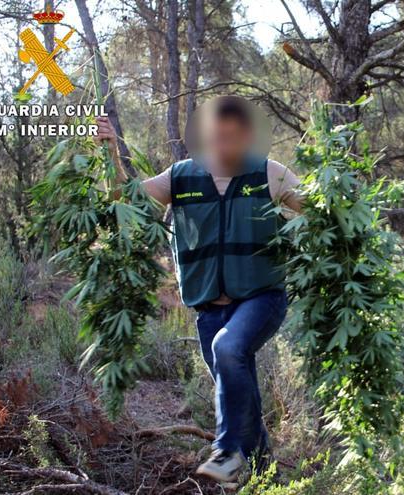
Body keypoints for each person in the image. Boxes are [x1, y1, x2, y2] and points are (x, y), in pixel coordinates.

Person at [94, 96, 302, 483]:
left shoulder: (269, 174)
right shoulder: (181, 176)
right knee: (238, 385)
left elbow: (317, 208)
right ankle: (264, 475)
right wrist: (110, 152)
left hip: (261, 298)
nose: (224, 145)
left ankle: (226, 453)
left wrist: (337, 200)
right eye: (216, 136)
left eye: (233, 137)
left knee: (229, 349)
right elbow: (126, 197)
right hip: (209, 307)